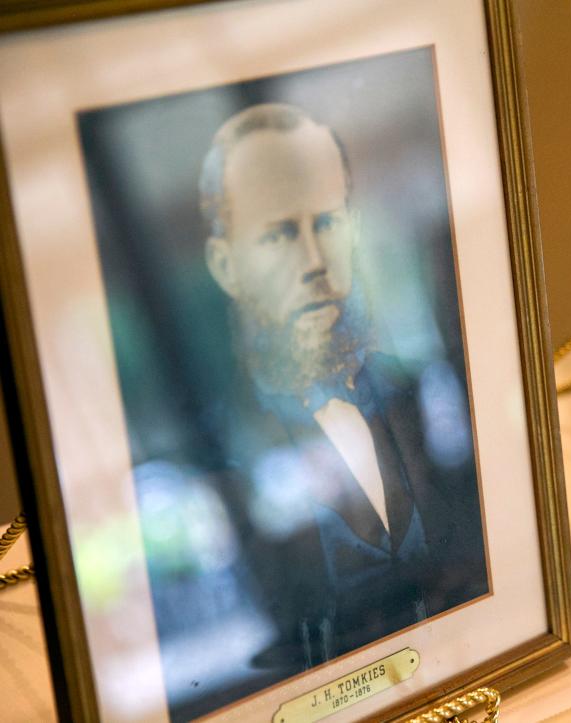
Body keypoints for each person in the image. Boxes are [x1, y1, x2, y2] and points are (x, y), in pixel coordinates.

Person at [197, 103, 487, 672]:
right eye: (280, 234)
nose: (313, 260)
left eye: (326, 223)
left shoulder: (411, 396)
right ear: (228, 266)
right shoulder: (237, 457)